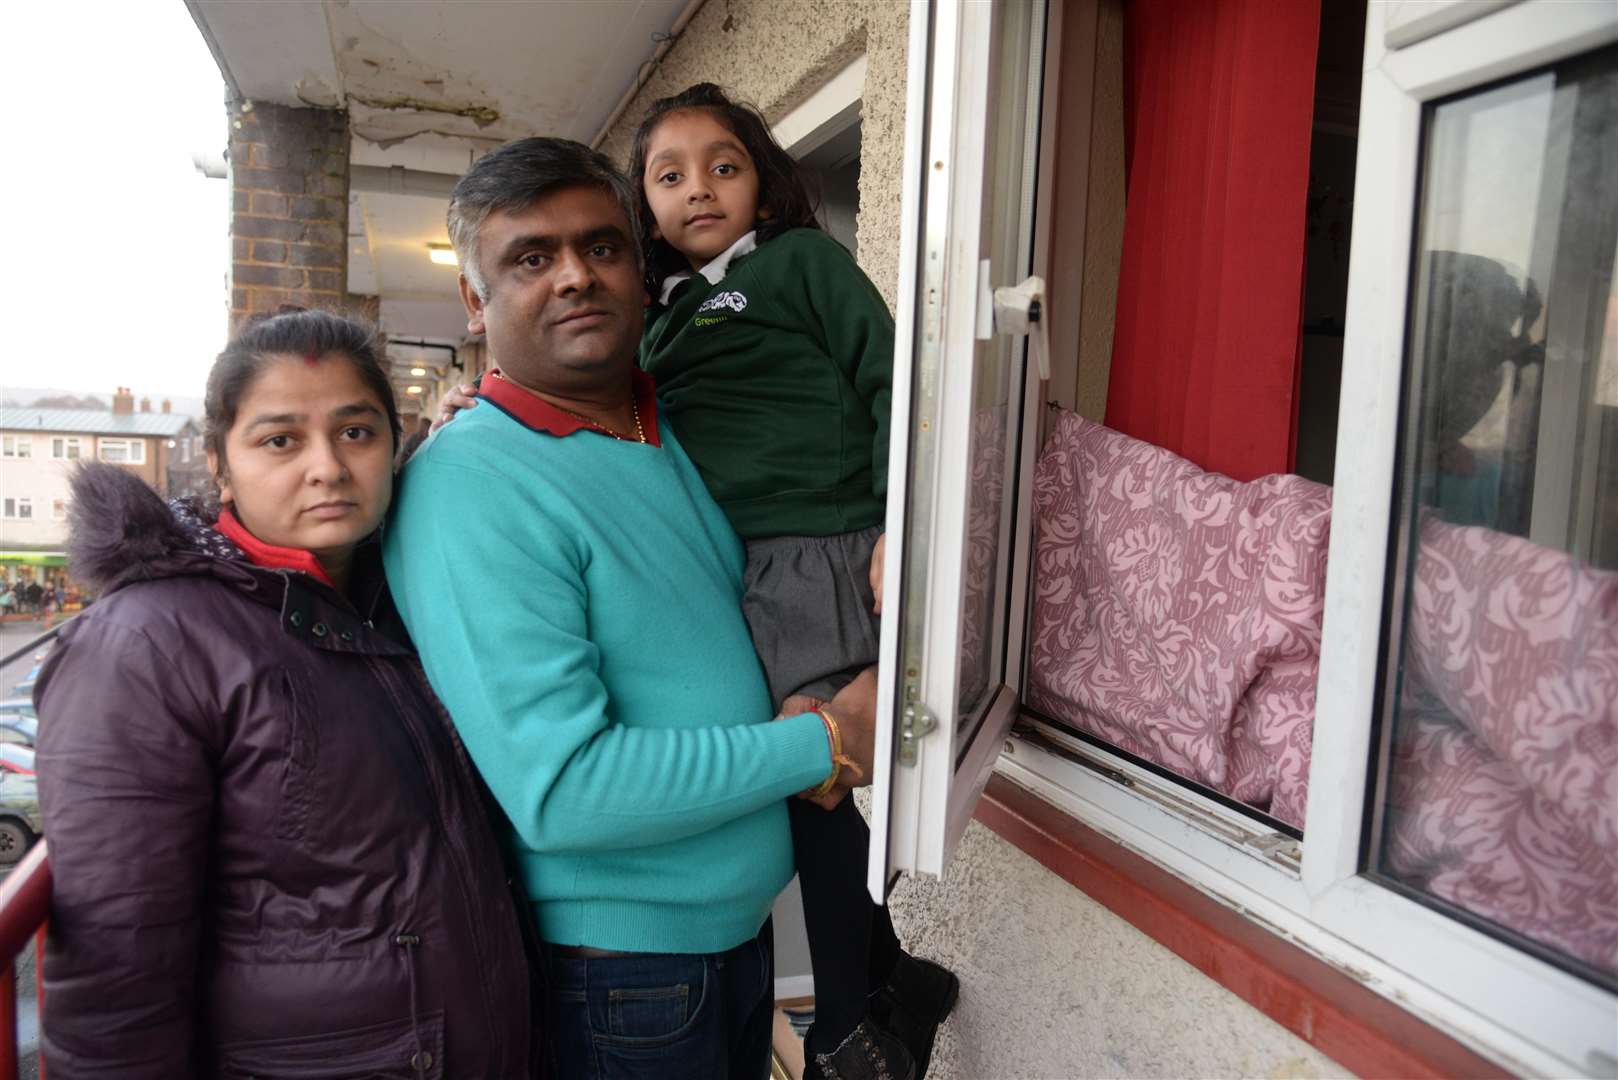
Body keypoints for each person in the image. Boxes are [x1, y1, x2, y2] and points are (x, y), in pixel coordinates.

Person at [436, 84, 958, 1080]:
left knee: (827, 808)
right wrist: (820, 741)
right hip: (633, 969)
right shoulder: (502, 459)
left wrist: (906, 518)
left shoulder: (743, 327)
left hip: (735, 934)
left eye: (600, 248)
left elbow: (892, 380)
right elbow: (564, 789)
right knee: (821, 796)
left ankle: (869, 999)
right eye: (530, 259)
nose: (574, 280)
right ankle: (876, 997)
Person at [32, 310, 538, 1078]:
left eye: (357, 432)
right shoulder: (145, 645)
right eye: (280, 440)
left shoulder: (405, 596)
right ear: (221, 464)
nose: (328, 467)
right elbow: (118, 968)